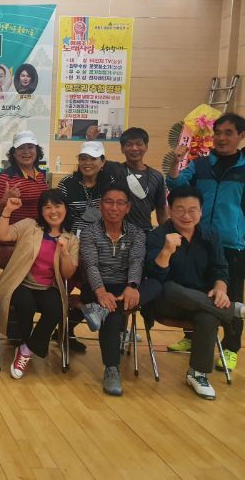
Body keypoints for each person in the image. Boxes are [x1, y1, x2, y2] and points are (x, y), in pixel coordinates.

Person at [145, 186, 245, 399]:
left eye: (192, 210)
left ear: (201, 211)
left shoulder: (210, 234)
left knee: (208, 315)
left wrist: (220, 287)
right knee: (170, 288)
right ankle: (232, 311)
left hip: (201, 301)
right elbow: (153, 277)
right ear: (170, 210)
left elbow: (221, 268)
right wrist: (166, 251)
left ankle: (197, 374)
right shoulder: (157, 236)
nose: (186, 215)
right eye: (180, 209)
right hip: (167, 302)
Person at [166, 113, 245, 370]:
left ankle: (231, 347)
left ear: (241, 136)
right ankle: (192, 337)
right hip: (200, 239)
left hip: (233, 243)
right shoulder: (200, 165)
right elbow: (176, 184)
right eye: (218, 132)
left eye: (228, 133)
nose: (221, 138)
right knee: (194, 288)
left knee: (231, 294)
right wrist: (176, 162)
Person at [78, 184, 160, 396]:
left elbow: (136, 261)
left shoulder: (137, 233)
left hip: (124, 287)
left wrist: (132, 286)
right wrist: (100, 292)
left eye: (120, 203)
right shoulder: (88, 233)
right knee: (113, 316)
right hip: (96, 286)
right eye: (109, 202)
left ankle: (100, 311)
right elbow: (91, 265)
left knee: (155, 285)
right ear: (100, 205)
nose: (114, 207)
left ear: (128, 207)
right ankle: (112, 369)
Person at [0, 190, 79, 379]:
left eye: (57, 206)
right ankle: (24, 345)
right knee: (25, 303)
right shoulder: (30, 225)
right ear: (41, 211)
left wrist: (64, 253)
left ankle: (25, 349)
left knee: (56, 309)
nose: (53, 211)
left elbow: (67, 274)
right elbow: (3, 235)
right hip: (20, 282)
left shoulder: (71, 239)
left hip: (48, 287)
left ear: (65, 209)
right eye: (47, 207)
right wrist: (7, 210)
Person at [105, 127, 167, 231]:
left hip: (145, 232)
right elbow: (96, 161)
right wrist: (90, 140)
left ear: (146, 147)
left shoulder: (157, 176)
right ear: (122, 148)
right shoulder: (115, 170)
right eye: (129, 144)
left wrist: (164, 233)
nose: (134, 148)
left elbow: (161, 208)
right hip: (117, 232)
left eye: (139, 144)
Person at [57, 141, 115, 238]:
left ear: (103, 162)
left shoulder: (110, 183)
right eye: (83, 158)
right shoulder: (66, 184)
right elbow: (58, 213)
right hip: (73, 238)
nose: (87, 163)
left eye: (93, 158)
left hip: (103, 238)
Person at [0, 131, 48, 225]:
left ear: (36, 151)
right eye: (21, 148)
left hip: (38, 231)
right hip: (13, 232)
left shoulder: (40, 174)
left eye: (30, 147)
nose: (26, 151)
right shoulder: (5, 178)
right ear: (14, 153)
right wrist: (4, 202)